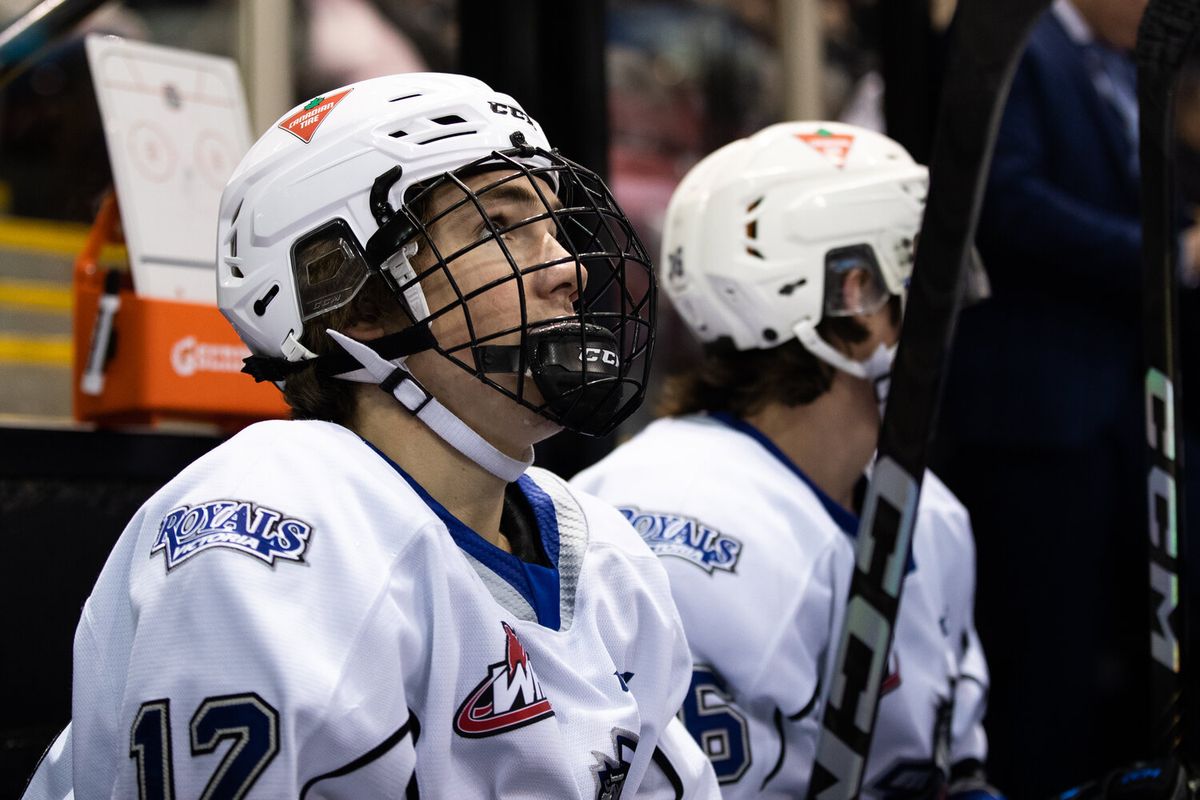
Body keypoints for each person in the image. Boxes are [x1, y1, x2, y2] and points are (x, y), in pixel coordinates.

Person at [21, 73, 719, 799]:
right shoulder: (280, 526)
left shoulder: (605, 558)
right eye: (500, 227)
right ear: (352, 299)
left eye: (553, 229)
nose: (568, 270)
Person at [572, 121, 995, 799]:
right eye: (917, 275)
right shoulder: (670, 521)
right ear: (856, 300)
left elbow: (949, 770)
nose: (947, 316)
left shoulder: (930, 509)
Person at [931, 0, 1197, 793]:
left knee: (1121, 650)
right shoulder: (1014, 46)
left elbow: (1130, 191)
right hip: (1033, 415)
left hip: (1118, 403)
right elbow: (1002, 204)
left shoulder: (1116, 64)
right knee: (1045, 655)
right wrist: (1165, 252)